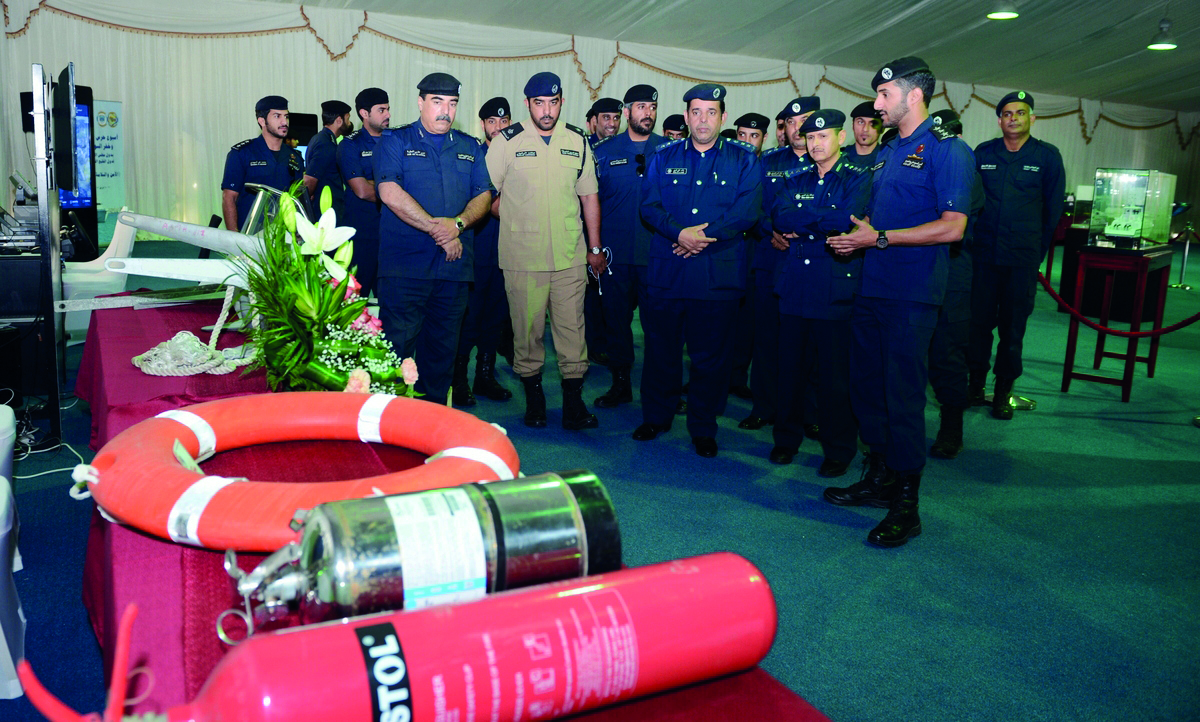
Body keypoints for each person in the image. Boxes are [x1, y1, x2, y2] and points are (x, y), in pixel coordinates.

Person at [825, 57, 975, 548]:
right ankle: (880, 477)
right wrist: (859, 236)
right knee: (867, 388)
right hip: (872, 288)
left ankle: (907, 503)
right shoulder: (890, 150)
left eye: (885, 96)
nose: (876, 104)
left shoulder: (948, 151)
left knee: (903, 394)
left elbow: (953, 227)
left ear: (914, 96)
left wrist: (880, 239)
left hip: (912, 293)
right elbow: (878, 220)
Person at [635, 83, 763, 458]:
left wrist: (699, 236)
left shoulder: (744, 159)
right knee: (661, 351)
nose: (703, 119)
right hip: (668, 272)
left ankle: (703, 426)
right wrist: (679, 233)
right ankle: (656, 417)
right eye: (696, 112)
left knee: (711, 357)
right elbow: (649, 206)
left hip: (715, 273)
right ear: (687, 115)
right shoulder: (663, 154)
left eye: (711, 112)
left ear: (722, 117)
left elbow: (746, 212)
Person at [485, 71, 607, 430]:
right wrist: (514, 212)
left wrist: (595, 247)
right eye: (539, 103)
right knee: (527, 332)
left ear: (561, 103)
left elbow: (589, 197)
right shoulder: (506, 141)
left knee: (573, 331)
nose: (547, 110)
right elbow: (485, 196)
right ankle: (534, 400)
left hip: (570, 255)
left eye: (553, 102)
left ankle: (573, 404)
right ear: (528, 104)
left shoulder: (577, 140)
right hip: (523, 257)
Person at [373, 72, 493, 406]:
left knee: (441, 357)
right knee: (394, 354)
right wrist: (439, 229)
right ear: (421, 102)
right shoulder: (396, 140)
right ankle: (384, 429)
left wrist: (458, 223)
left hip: (453, 271)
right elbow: (389, 191)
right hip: (405, 269)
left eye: (452, 103)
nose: (445, 111)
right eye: (438, 102)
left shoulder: (469, 147)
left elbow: (484, 194)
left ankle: (431, 428)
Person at [768, 109, 872, 477]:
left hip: (834, 288)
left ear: (841, 138)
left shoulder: (859, 178)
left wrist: (807, 223)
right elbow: (781, 218)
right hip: (795, 287)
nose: (815, 143)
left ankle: (838, 449)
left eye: (823, 136)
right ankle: (785, 440)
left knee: (834, 378)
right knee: (790, 372)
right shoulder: (794, 179)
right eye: (810, 138)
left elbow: (847, 219)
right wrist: (820, 221)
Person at [968, 91, 1065, 419]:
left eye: (1020, 113)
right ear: (999, 120)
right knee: (978, 325)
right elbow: (971, 202)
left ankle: (1003, 391)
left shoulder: (1048, 157)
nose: (1013, 118)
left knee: (1012, 329)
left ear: (1032, 119)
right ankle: (976, 385)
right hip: (983, 256)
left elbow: (1052, 214)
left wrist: (1036, 255)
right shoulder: (983, 153)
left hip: (1021, 260)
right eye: (1007, 113)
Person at [740, 96, 819, 432]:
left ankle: (810, 415)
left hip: (813, 268)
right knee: (767, 339)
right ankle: (764, 406)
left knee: (810, 345)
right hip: (771, 260)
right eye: (791, 122)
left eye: (805, 121)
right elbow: (751, 209)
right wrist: (769, 230)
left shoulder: (830, 165)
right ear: (783, 128)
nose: (798, 127)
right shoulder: (768, 162)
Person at [591, 84, 667, 408]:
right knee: (617, 323)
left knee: (659, 327)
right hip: (615, 256)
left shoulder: (669, 150)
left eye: (652, 108)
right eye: (640, 107)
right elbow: (588, 201)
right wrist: (592, 248)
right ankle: (620, 384)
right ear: (627, 112)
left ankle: (661, 387)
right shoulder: (604, 151)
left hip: (657, 256)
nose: (647, 113)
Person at [927, 109, 985, 459]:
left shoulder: (966, 172)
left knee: (948, 352)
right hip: (922, 269)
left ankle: (951, 428)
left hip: (953, 270)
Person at [453, 96, 516, 407]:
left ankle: (485, 375)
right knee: (471, 316)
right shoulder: (473, 153)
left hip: (508, 251)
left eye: (504, 122)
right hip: (478, 249)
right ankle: (460, 378)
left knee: (496, 316)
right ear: (483, 125)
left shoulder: (520, 155)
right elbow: (489, 204)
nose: (499, 128)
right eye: (492, 122)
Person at [336, 87, 390, 297]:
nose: (388, 115)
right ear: (364, 114)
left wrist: (374, 183)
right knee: (355, 302)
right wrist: (395, 191)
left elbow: (411, 183)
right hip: (362, 236)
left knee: (391, 305)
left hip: (392, 236)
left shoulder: (397, 141)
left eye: (388, 109)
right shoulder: (350, 145)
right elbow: (361, 190)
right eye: (381, 110)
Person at [221, 95, 303, 231]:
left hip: (283, 238)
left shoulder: (294, 157)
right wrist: (234, 239)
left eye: (286, 116)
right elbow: (229, 198)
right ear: (262, 121)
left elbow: (298, 200)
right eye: (277, 116)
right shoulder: (242, 153)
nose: (284, 122)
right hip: (250, 236)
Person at [303, 100, 353, 218]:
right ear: (339, 121)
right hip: (325, 213)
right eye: (348, 119)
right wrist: (306, 206)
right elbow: (310, 179)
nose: (349, 123)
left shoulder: (319, 138)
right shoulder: (325, 143)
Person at [843, 101, 883, 169]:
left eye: (873, 123)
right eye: (861, 122)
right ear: (853, 126)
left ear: (882, 128)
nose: (865, 129)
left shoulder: (888, 159)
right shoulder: (839, 157)